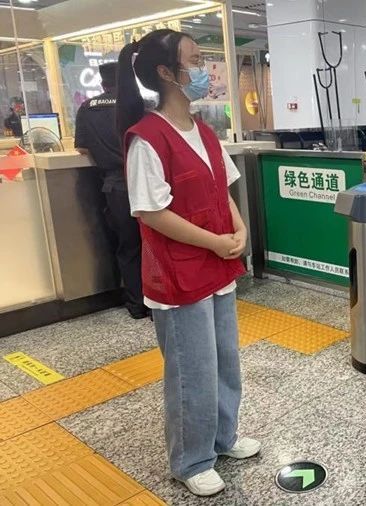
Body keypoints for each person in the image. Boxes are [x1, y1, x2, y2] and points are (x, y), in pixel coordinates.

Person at [116, 29, 260, 496]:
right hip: (179, 274)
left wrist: (239, 229)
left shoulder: (204, 132)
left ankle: (222, 438)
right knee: (191, 369)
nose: (206, 70)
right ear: (166, 72)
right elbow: (151, 212)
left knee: (224, 361)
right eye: (196, 61)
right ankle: (191, 459)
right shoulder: (147, 138)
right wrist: (215, 242)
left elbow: (222, 189)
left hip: (217, 267)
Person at [75, 63, 149, 320]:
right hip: (145, 182)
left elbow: (82, 148)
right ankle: (159, 301)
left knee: (128, 247)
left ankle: (137, 305)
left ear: (102, 83)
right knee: (154, 243)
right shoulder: (138, 105)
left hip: (115, 186)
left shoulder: (87, 108)